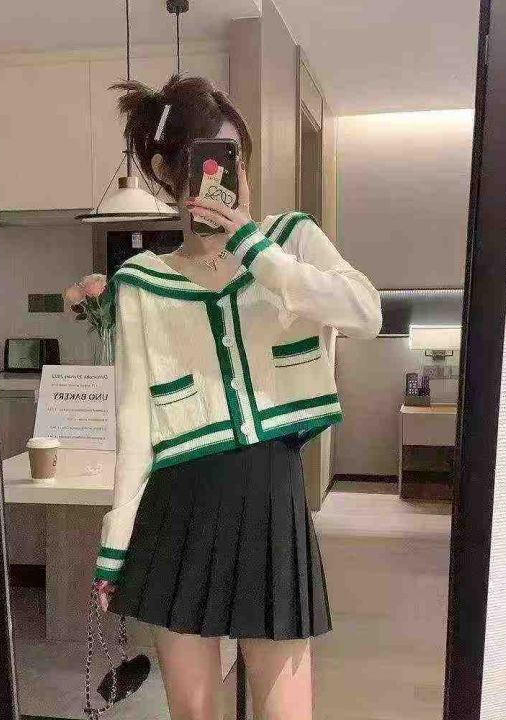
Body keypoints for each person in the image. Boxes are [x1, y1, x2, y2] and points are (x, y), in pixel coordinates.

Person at [93, 74, 382, 720]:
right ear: (167, 172)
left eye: (235, 159)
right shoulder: (141, 281)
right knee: (194, 714)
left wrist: (255, 248)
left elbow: (365, 311)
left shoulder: (291, 240)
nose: (229, 178)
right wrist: (115, 544)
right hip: (177, 509)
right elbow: (135, 423)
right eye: (209, 160)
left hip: (271, 503)